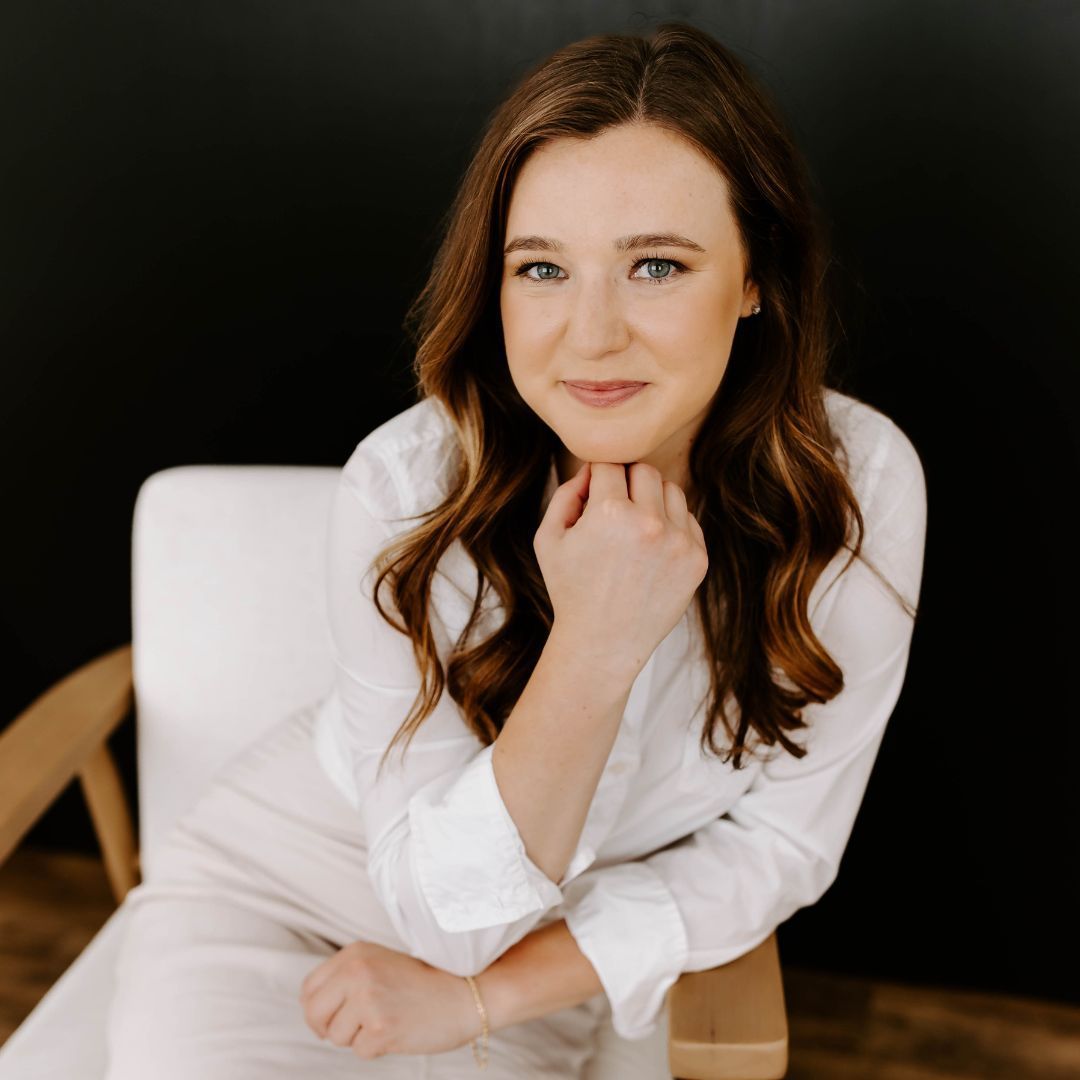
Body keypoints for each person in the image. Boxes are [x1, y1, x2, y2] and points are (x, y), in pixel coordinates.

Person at [103, 19, 927, 1080]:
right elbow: (446, 913)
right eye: (541, 269)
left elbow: (779, 851)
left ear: (757, 275)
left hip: (544, 948)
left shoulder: (854, 485)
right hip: (282, 889)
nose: (590, 334)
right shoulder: (405, 490)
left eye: (657, 266)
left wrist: (484, 1002)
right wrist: (596, 640)